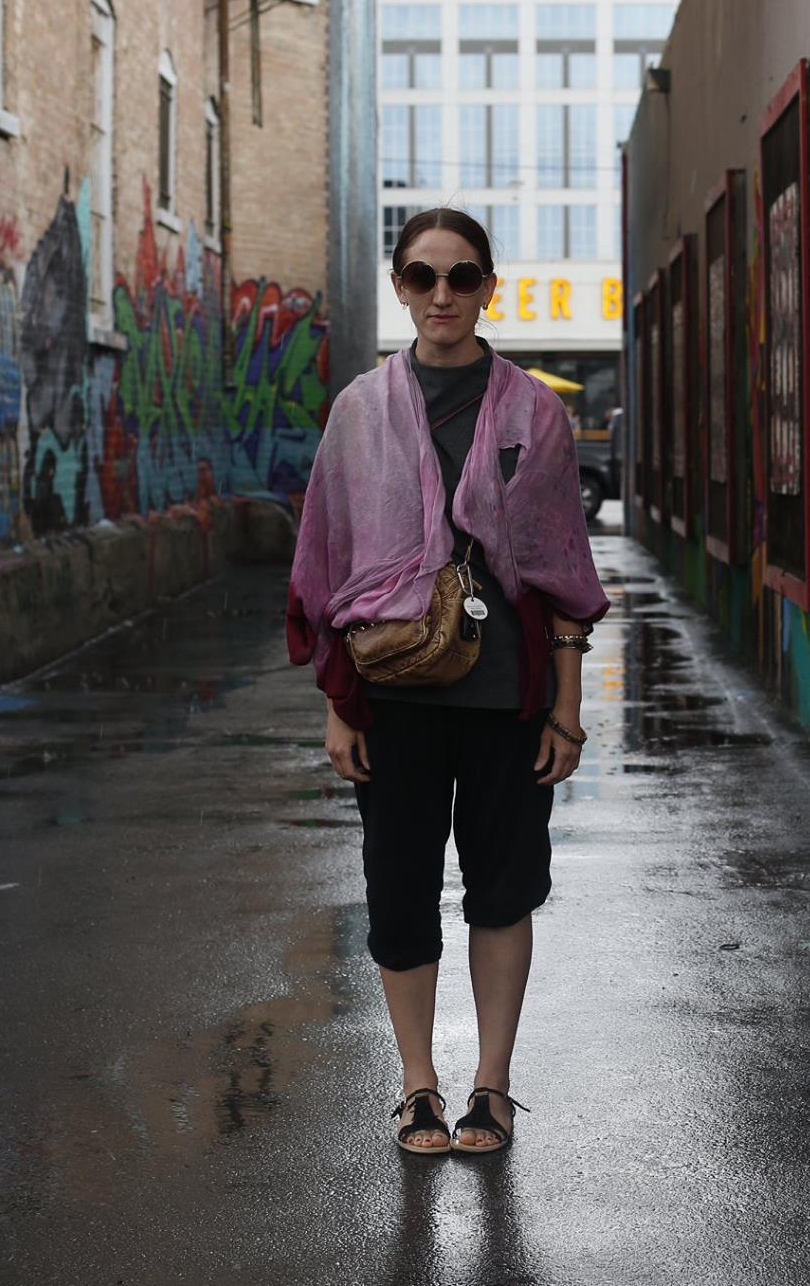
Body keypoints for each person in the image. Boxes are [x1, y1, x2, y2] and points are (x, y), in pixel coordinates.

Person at [286, 208, 610, 1155]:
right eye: (423, 276)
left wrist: (566, 709)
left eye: (462, 277)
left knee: (503, 890)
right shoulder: (358, 414)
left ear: (487, 288)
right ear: (399, 286)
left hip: (507, 699)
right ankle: (418, 1086)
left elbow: (562, 571)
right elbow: (329, 565)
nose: (442, 295)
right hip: (392, 699)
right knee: (399, 892)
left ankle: (491, 1087)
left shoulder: (535, 413)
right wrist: (339, 707)